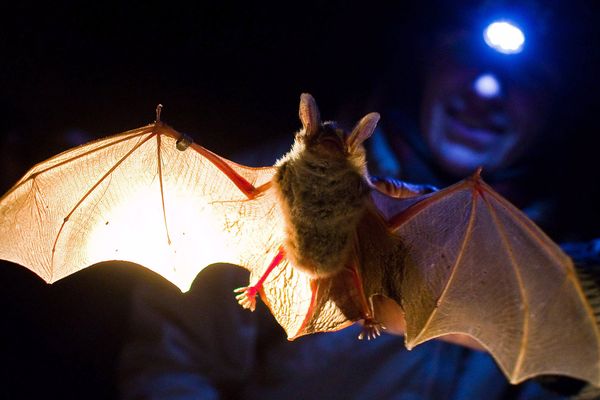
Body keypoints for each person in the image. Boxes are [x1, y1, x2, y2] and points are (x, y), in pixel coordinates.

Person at [118, 2, 600, 399]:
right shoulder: (277, 187)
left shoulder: (551, 240)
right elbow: (168, 367)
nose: (486, 89)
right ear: (428, 64)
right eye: (465, 57)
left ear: (554, 107)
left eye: (528, 79)